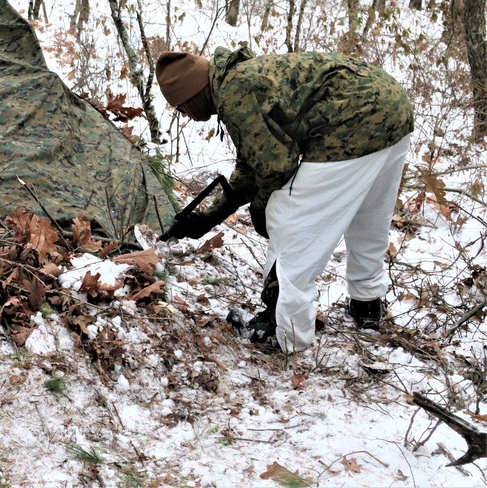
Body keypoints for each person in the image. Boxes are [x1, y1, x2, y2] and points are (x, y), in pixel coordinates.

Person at [155, 45, 413, 353]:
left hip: (351, 126)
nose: (183, 114)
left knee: (287, 221)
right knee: (369, 215)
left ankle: (286, 330)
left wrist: (262, 208)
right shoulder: (242, 77)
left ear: (193, 95)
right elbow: (254, 164)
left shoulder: (235, 93)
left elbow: (276, 166)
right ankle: (367, 303)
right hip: (393, 109)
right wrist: (210, 217)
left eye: (181, 107)